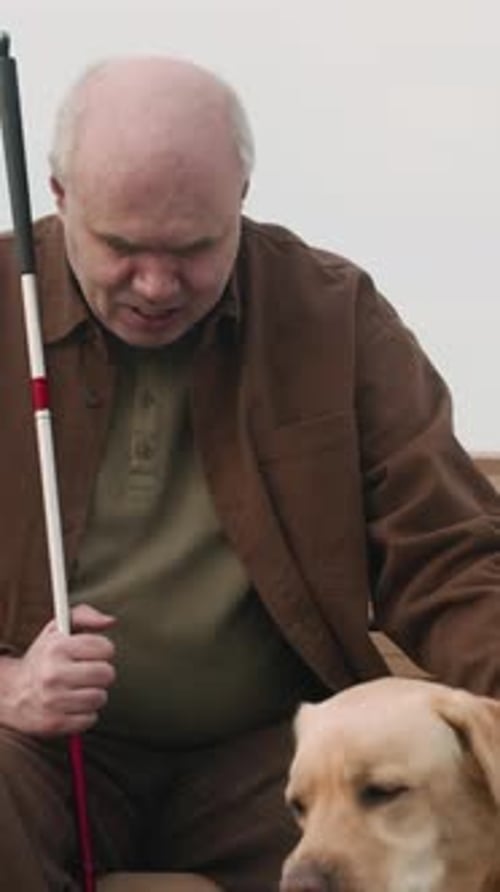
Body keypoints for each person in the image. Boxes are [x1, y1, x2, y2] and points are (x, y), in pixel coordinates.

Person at [0, 54, 499, 892]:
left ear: (241, 197)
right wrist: (9, 686)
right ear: (57, 196)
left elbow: (445, 555)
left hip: (278, 761)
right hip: (36, 755)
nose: (156, 285)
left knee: (428, 826)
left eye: (195, 248)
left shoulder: (332, 312)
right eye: (122, 247)